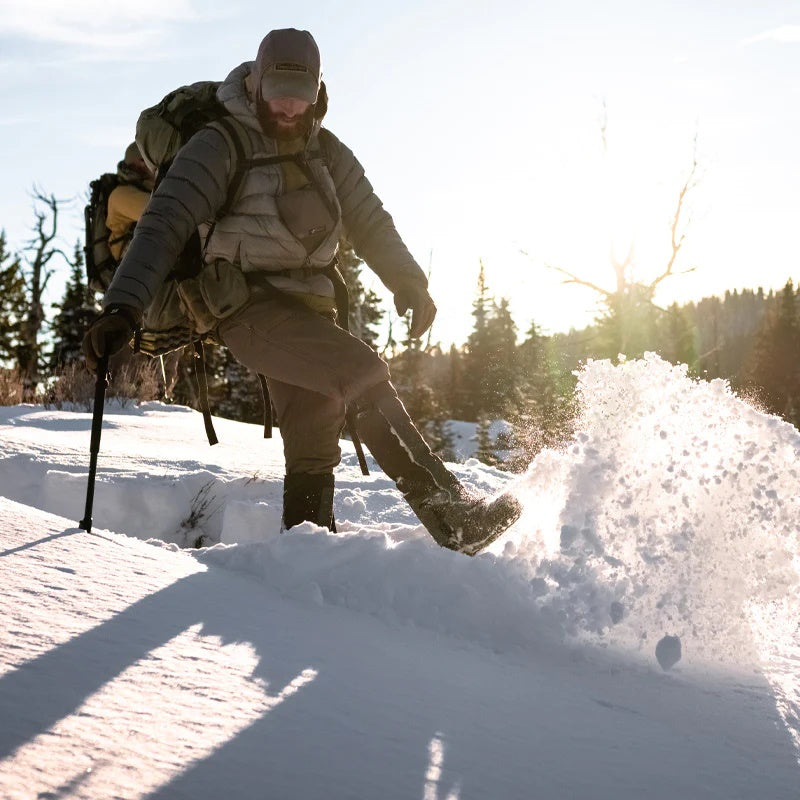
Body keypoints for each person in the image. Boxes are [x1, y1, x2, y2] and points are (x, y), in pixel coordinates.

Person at [82, 28, 520, 554]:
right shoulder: (219, 144)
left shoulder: (326, 151)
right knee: (360, 371)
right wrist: (123, 307)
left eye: (302, 95)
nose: (289, 108)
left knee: (314, 434)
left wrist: (408, 281)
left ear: (318, 90)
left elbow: (370, 220)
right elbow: (163, 224)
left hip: (310, 308)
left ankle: (305, 554)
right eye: (278, 94)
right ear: (256, 84)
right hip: (243, 306)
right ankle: (453, 517)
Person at [107, 142, 155, 262]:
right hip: (134, 267)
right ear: (142, 161)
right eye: (154, 159)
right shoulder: (122, 195)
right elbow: (163, 212)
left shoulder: (150, 189)